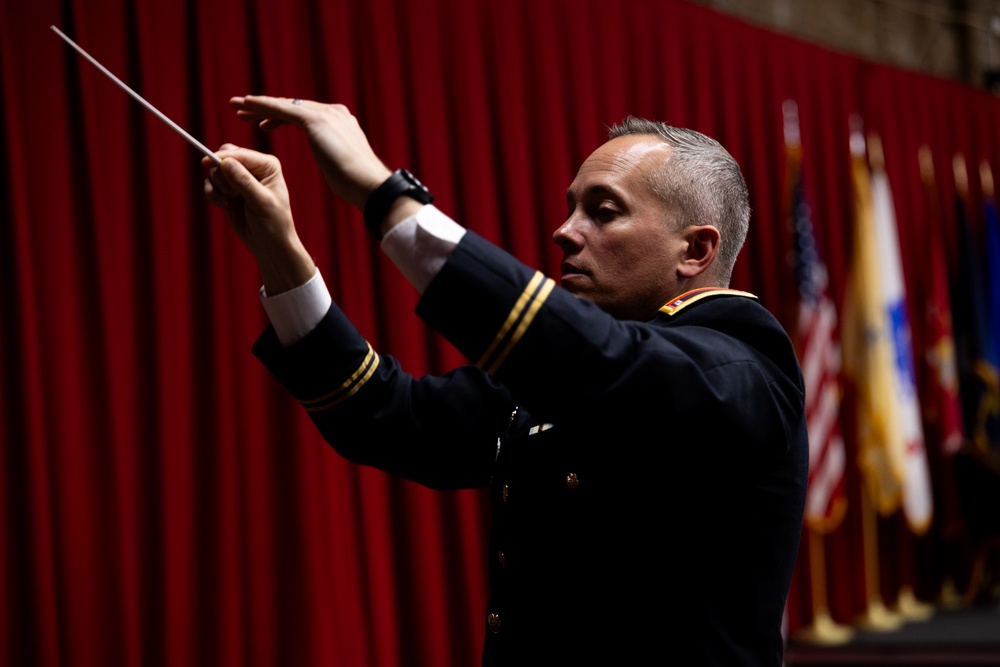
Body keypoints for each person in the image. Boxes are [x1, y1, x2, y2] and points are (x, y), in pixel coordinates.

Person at [202, 95, 809, 667]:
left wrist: (386, 196)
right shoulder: (573, 377)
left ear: (696, 250)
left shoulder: (738, 367)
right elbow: (386, 415)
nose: (564, 231)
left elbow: (604, 365)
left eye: (603, 211)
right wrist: (279, 247)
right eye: (572, 207)